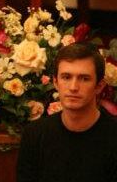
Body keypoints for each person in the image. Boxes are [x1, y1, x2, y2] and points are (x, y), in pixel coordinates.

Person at [16, 42, 117, 182]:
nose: (74, 87)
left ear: (99, 86)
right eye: (66, 77)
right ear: (56, 82)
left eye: (84, 78)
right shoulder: (34, 134)